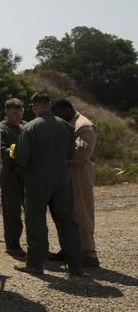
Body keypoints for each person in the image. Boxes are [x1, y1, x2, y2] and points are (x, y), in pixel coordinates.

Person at [11, 93, 85, 276]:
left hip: (38, 176)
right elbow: (70, 154)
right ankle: (76, 265)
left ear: (35, 107)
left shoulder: (29, 128)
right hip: (62, 177)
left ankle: (35, 263)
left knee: (36, 219)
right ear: (50, 105)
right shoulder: (66, 127)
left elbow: (21, 157)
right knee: (67, 220)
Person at [51, 99, 99, 267]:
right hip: (66, 172)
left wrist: (55, 152)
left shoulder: (83, 126)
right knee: (67, 213)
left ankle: (87, 254)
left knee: (81, 213)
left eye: (57, 114)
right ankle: (70, 250)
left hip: (78, 172)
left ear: (65, 111)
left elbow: (83, 150)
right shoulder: (68, 124)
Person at [0, 98, 26, 258]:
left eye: (20, 112)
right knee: (12, 210)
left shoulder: (27, 126)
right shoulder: (3, 129)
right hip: (11, 173)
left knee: (32, 211)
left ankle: (35, 245)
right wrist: (18, 151)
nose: (18, 116)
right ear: (7, 112)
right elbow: (3, 151)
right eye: (14, 113)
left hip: (28, 173)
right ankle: (13, 245)